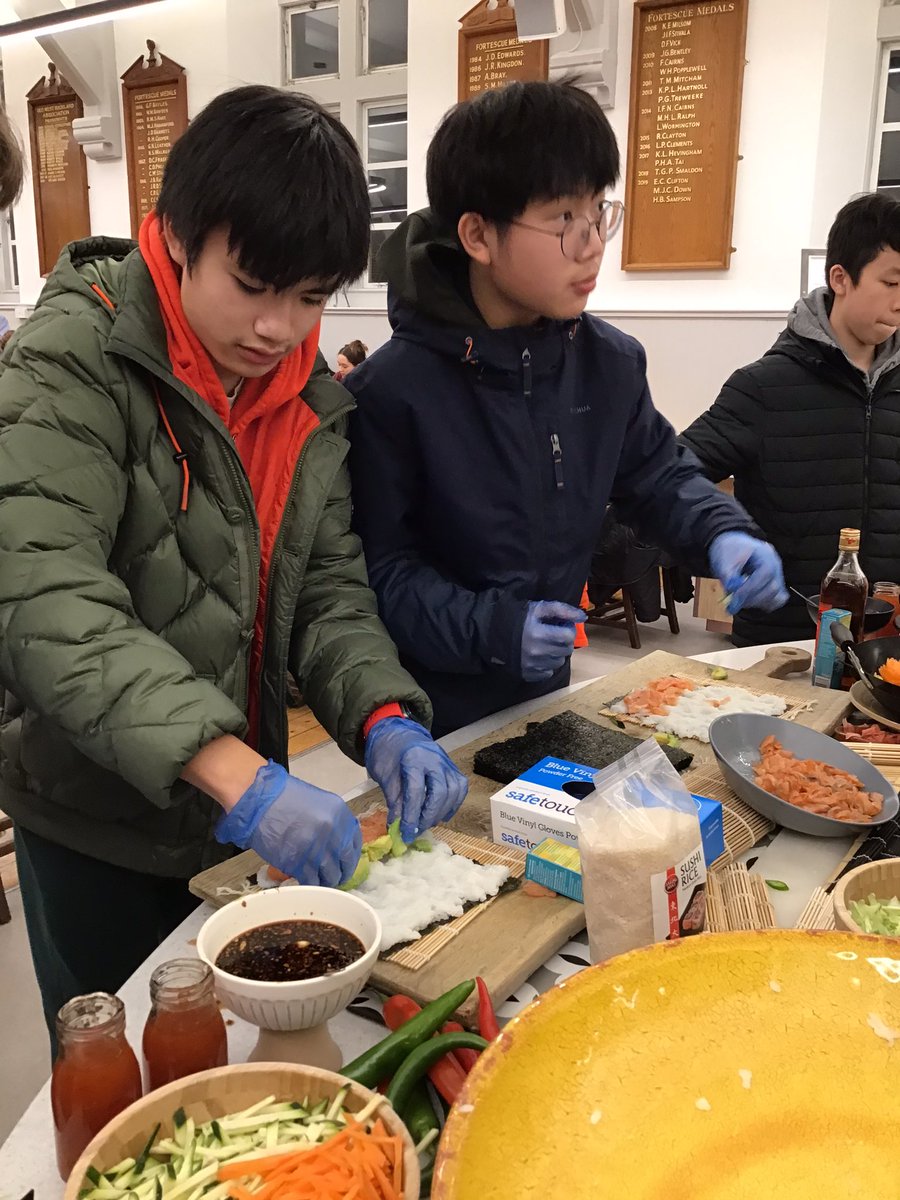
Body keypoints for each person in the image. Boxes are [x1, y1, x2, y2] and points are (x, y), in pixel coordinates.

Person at [0, 85, 466, 1042]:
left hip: (223, 815)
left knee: (237, 1061)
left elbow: (328, 590)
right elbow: (43, 594)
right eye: (252, 286)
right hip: (94, 814)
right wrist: (233, 772)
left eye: (309, 299)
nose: (278, 328)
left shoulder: (307, 397)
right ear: (177, 235)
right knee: (127, 1062)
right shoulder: (71, 360)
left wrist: (383, 716)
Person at [345, 81, 788, 737]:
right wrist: (497, 628)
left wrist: (722, 531)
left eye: (598, 213)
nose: (591, 246)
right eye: (561, 220)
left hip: (548, 699)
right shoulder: (390, 393)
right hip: (422, 718)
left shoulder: (609, 364)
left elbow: (658, 475)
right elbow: (378, 574)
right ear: (477, 235)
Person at [681, 192, 900, 646]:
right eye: (892, 282)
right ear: (840, 278)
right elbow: (670, 475)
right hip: (784, 641)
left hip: (887, 643)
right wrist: (723, 540)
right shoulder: (763, 387)